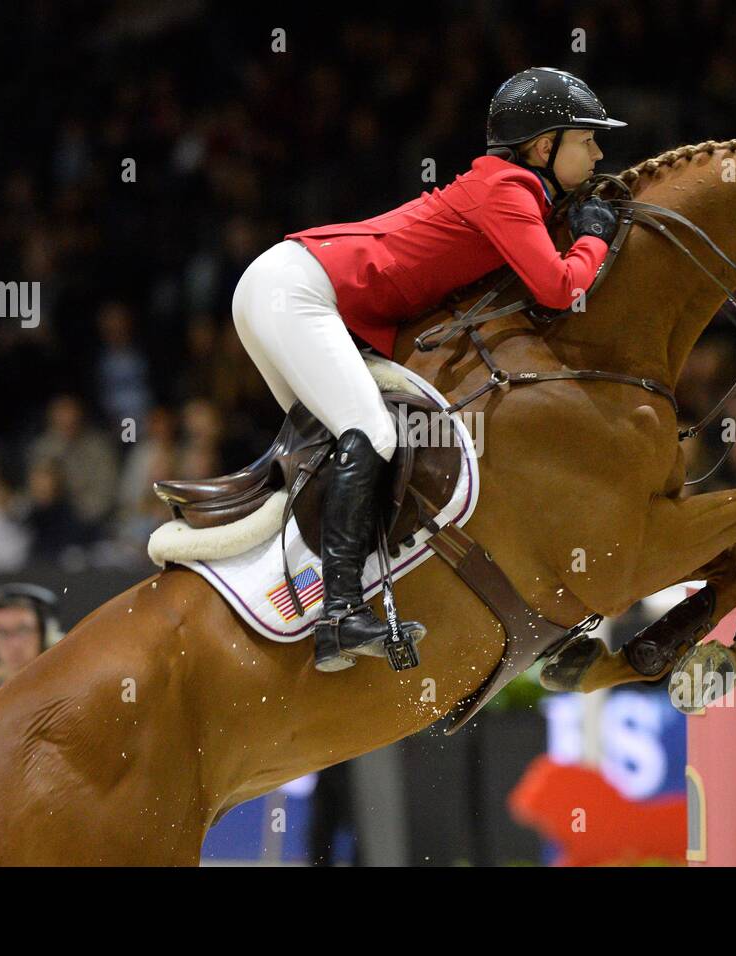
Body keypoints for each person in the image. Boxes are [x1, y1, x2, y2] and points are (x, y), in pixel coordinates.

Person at [228, 67, 625, 672]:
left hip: (285, 286)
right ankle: (339, 616)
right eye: (587, 139)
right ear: (545, 147)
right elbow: (559, 287)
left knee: (342, 452)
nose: (599, 151)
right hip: (297, 291)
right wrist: (592, 239)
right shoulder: (511, 189)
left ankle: (304, 598)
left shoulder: (513, 189)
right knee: (375, 433)